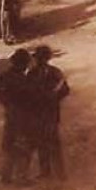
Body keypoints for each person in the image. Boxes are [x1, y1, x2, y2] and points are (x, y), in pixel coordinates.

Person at [0, 48, 37, 185]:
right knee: (24, 144)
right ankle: (21, 177)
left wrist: (5, 102)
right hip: (23, 114)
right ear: (24, 64)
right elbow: (31, 97)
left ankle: (6, 174)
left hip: (10, 113)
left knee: (9, 143)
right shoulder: (23, 79)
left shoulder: (5, 75)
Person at [29, 45, 69, 180]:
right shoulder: (49, 72)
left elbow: (65, 90)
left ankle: (55, 172)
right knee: (46, 142)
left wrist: (53, 98)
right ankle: (50, 172)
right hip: (44, 112)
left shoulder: (37, 73)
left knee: (49, 142)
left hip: (45, 112)